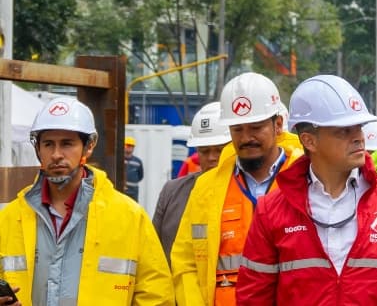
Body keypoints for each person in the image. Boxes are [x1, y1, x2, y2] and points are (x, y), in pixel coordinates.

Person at [236, 75, 377, 304]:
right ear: (309, 141)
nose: (359, 138)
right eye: (344, 130)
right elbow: (253, 298)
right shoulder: (270, 211)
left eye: (359, 127)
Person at [0, 97, 173, 305]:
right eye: (48, 144)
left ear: (88, 147)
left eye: (67, 144)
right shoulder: (10, 218)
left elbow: (157, 296)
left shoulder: (129, 217)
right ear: (38, 149)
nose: (56, 155)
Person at [171, 72, 303, 306]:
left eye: (256, 127)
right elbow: (185, 263)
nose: (246, 137)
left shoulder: (306, 179)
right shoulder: (207, 187)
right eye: (237, 129)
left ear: (278, 125)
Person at [153, 102, 230, 257]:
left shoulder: (246, 191)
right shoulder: (172, 192)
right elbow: (153, 250)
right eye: (204, 151)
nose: (211, 158)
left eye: (219, 150)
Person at [125, 135, 144, 200]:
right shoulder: (119, 160)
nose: (129, 148)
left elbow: (140, 176)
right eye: (127, 145)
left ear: (133, 147)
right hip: (122, 191)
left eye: (131, 146)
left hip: (133, 192)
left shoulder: (138, 162)